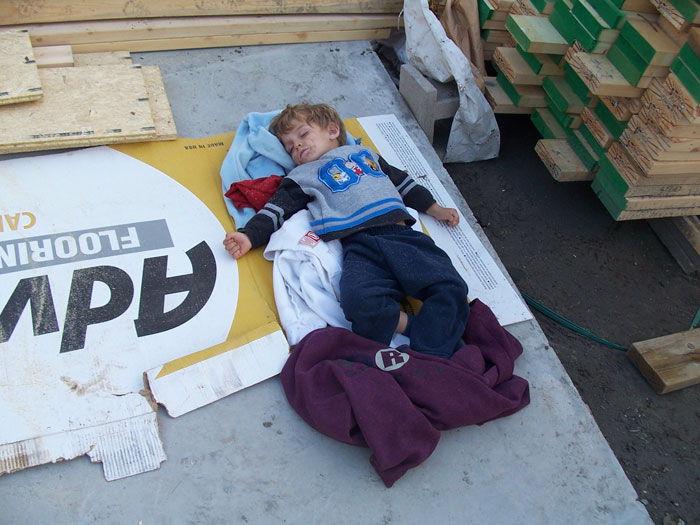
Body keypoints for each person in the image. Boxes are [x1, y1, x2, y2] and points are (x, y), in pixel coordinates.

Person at [223, 103, 469, 359]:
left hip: (402, 237)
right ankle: (419, 331)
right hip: (360, 248)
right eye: (289, 146)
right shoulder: (301, 176)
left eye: (303, 134)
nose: (297, 145)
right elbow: (276, 210)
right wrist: (249, 235)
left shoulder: (365, 154)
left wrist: (434, 208)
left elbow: (403, 184)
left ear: (332, 130)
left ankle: (432, 349)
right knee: (357, 304)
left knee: (450, 286)